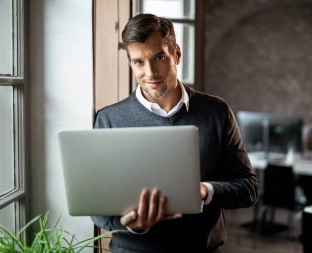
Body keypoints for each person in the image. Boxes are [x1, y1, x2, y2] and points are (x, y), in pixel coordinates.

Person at [91, 14, 259, 253]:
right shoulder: (109, 119)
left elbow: (248, 188)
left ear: (176, 54)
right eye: (138, 62)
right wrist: (135, 225)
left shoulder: (216, 111)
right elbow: (97, 208)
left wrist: (206, 191)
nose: (150, 72)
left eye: (158, 57)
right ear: (130, 63)